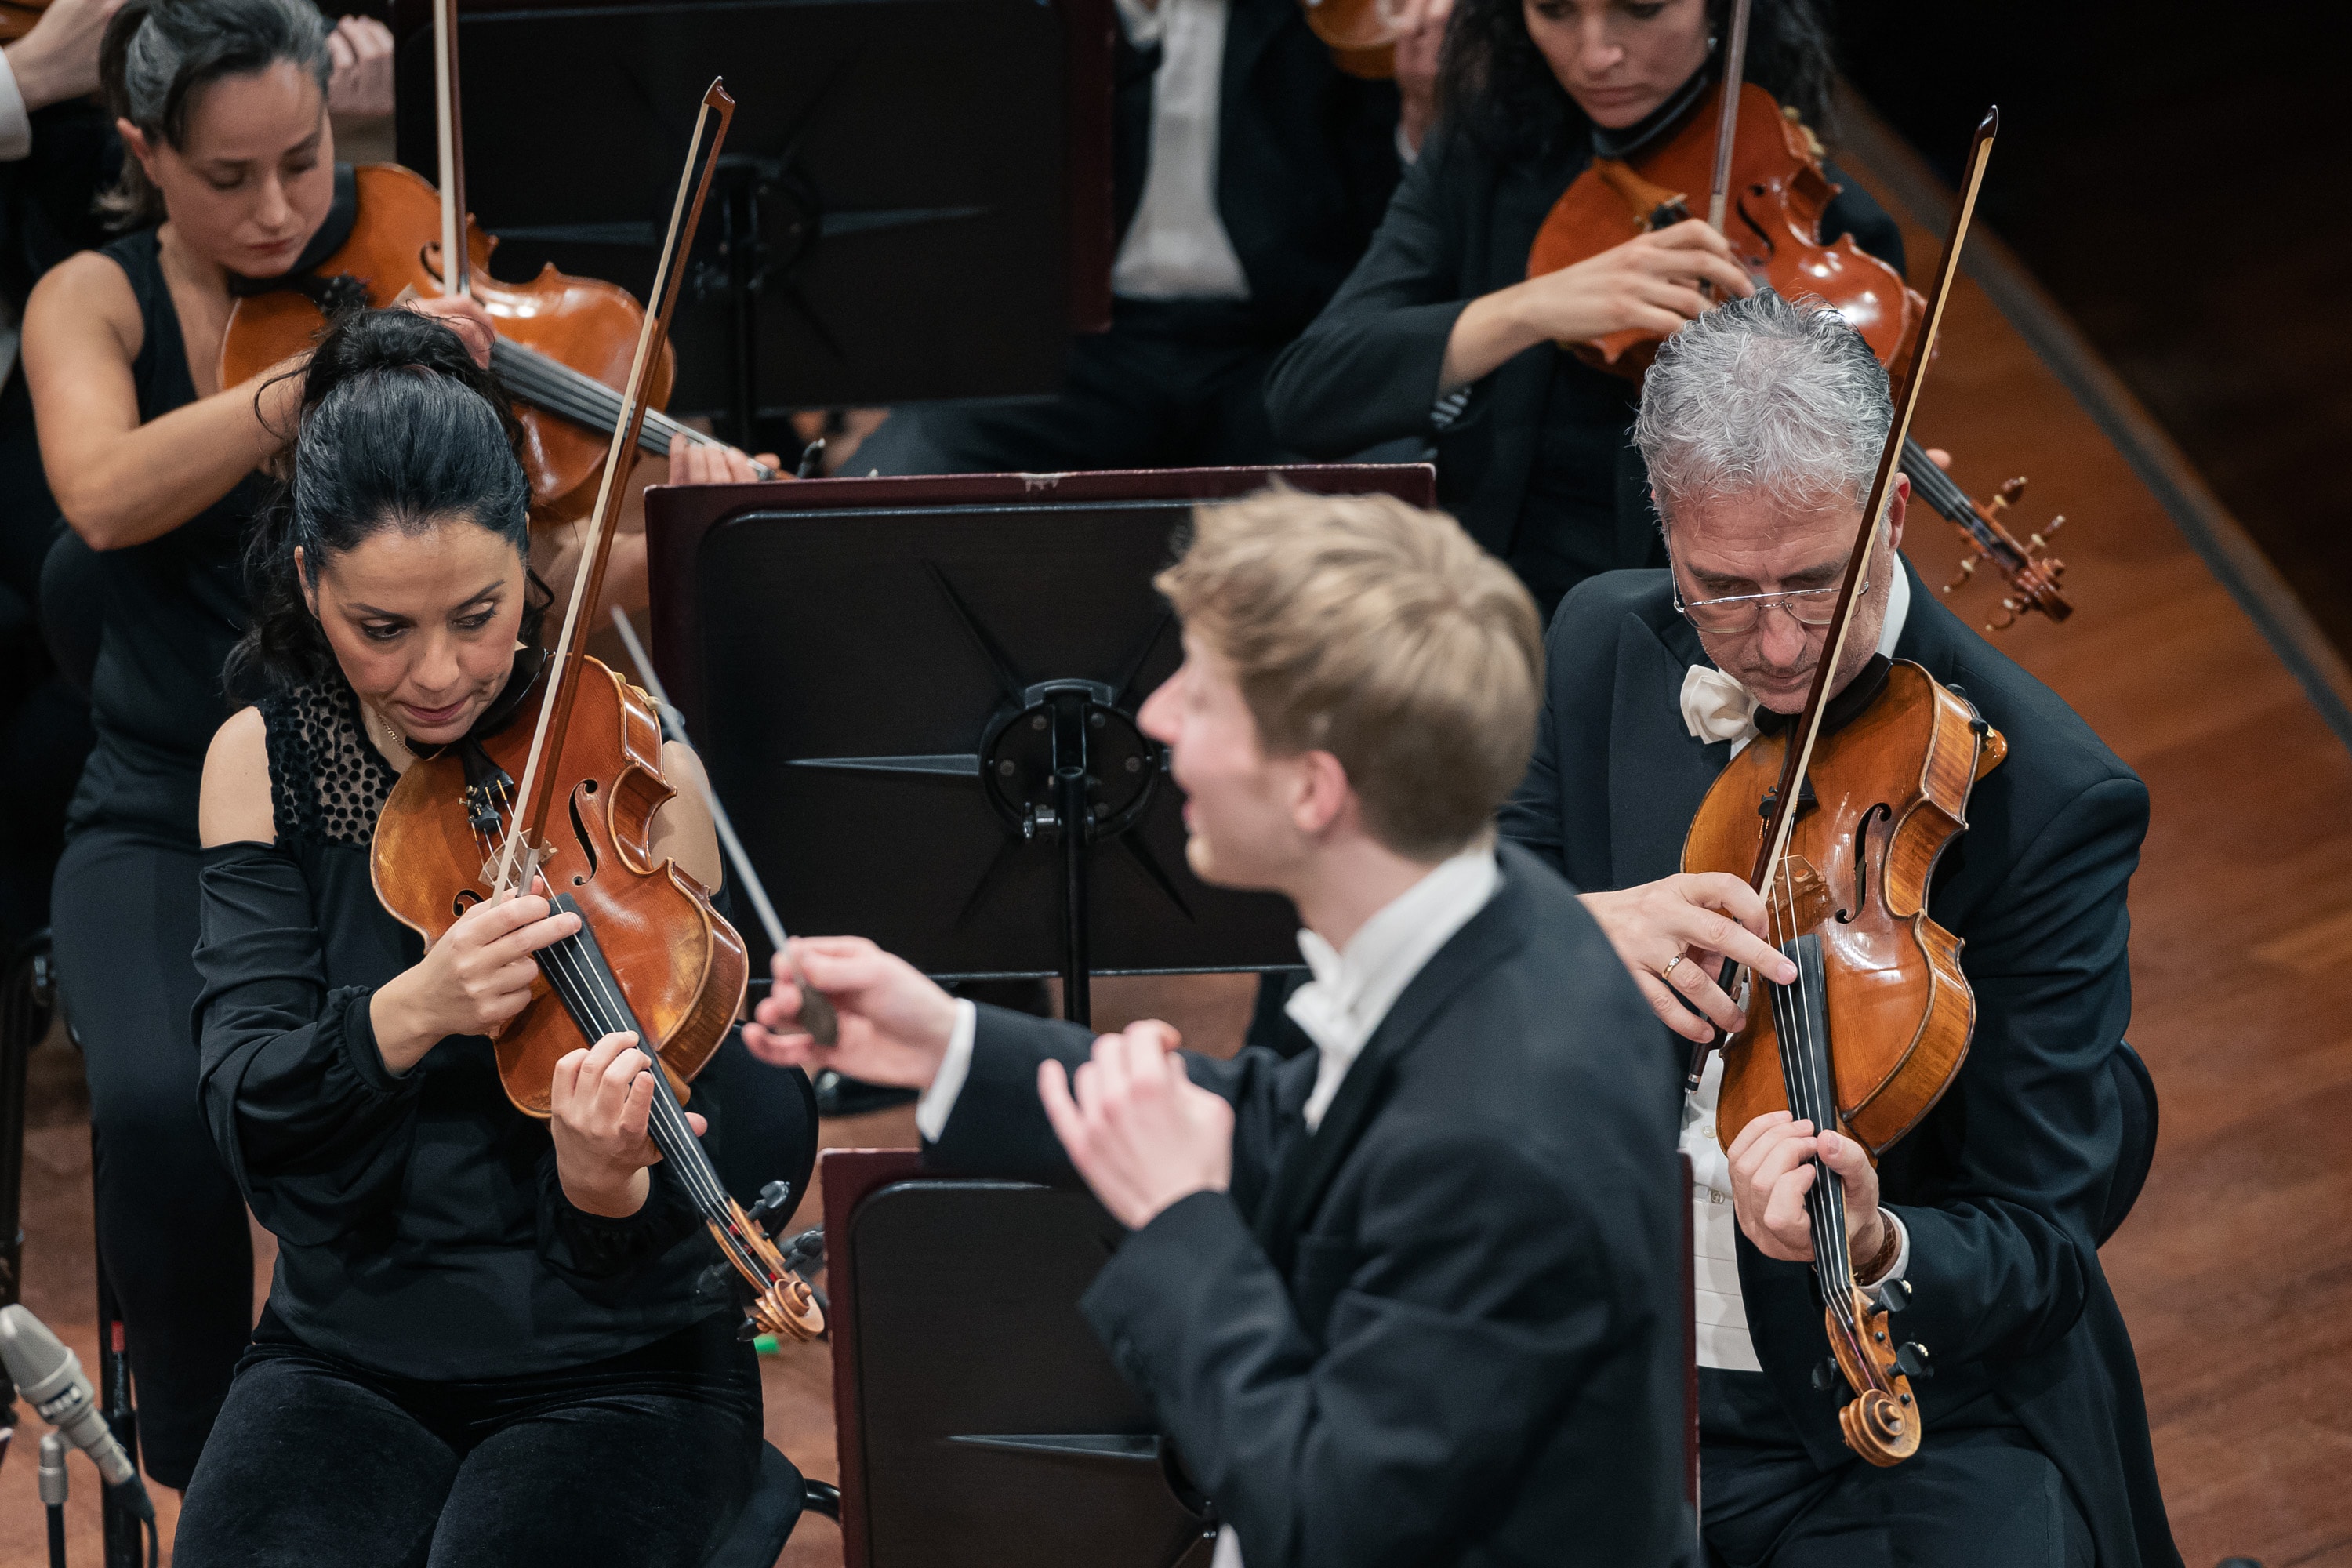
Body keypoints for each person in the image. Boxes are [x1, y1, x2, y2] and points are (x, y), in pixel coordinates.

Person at [745, 487, 1692, 1568]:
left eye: (1201, 694)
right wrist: (948, 1042)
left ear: (1313, 791)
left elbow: (1335, 1520)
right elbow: (1294, 1122)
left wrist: (1183, 1219)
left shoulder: (1499, 1127)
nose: (1151, 718)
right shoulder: (1491, 911)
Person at [1499, 289, 2179, 1566]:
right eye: (1721, 591)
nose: (1775, 644)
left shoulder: (2049, 795)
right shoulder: (1603, 642)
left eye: (1817, 583)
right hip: (1605, 1358)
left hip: (1895, 1415)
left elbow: (2041, 1243)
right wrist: (1576, 929)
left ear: (1897, 517)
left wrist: (1875, 1240)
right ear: (1667, 530)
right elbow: (1458, 925)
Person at [175, 305, 814, 1564]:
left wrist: (601, 1176)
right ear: (312, 582)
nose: (439, 675)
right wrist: (415, 1009)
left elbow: (730, 1124)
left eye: (478, 614)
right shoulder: (260, 762)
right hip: (346, 1350)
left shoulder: (629, 766)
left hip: (618, 1359)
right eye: (381, 629)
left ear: (529, 559)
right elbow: (246, 1113)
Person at [15, 0, 498, 1491]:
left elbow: (521, 549)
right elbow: (99, 492)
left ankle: (450, 1413)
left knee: (456, 1077)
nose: (280, 207)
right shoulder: (89, 300)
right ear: (143, 150)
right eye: (228, 176)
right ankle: (215, 1469)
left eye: (303, 158)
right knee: (163, 1102)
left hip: (395, 795)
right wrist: (318, 380)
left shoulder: (401, 246)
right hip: (162, 798)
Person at [1264, 0, 1903, 627]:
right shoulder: (1486, 152)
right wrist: (1531, 307)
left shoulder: (1830, 235)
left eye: (1642, 9)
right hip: (1467, 600)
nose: (1596, 55)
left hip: (1675, 632)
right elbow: (1308, 391)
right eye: (1556, 10)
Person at [851, 0, 1421, 477]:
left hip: (1285, 347)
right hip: (1076, 349)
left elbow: (1395, 197)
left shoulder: (1333, 15)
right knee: (897, 482)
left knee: (1392, 489)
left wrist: (1419, 101)